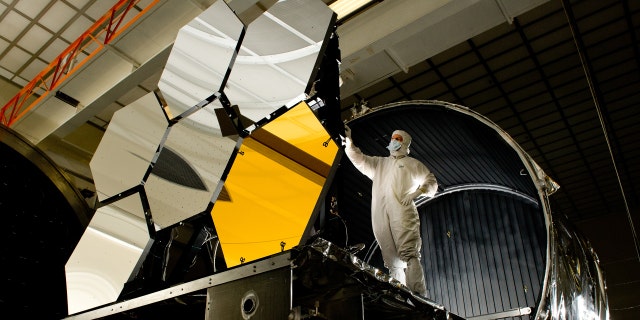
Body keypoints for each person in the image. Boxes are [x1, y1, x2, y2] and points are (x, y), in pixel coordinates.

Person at [343, 126, 437, 297]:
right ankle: (400, 296)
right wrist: (349, 145)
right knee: (392, 261)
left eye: (397, 139)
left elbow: (431, 181)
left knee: (409, 253)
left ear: (405, 143)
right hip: (380, 214)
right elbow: (361, 160)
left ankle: (419, 295)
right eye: (392, 138)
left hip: (402, 211)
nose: (393, 141)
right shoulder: (381, 164)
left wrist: (418, 192)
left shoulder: (412, 164)